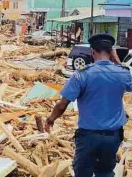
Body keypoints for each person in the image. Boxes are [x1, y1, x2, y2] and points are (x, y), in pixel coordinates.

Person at [45, 34, 131, 177]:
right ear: (111, 51)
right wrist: (118, 62)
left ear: (92, 51)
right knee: (105, 173)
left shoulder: (82, 75)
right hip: (113, 137)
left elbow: (63, 104)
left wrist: (50, 120)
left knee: (82, 173)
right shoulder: (122, 73)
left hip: (88, 137)